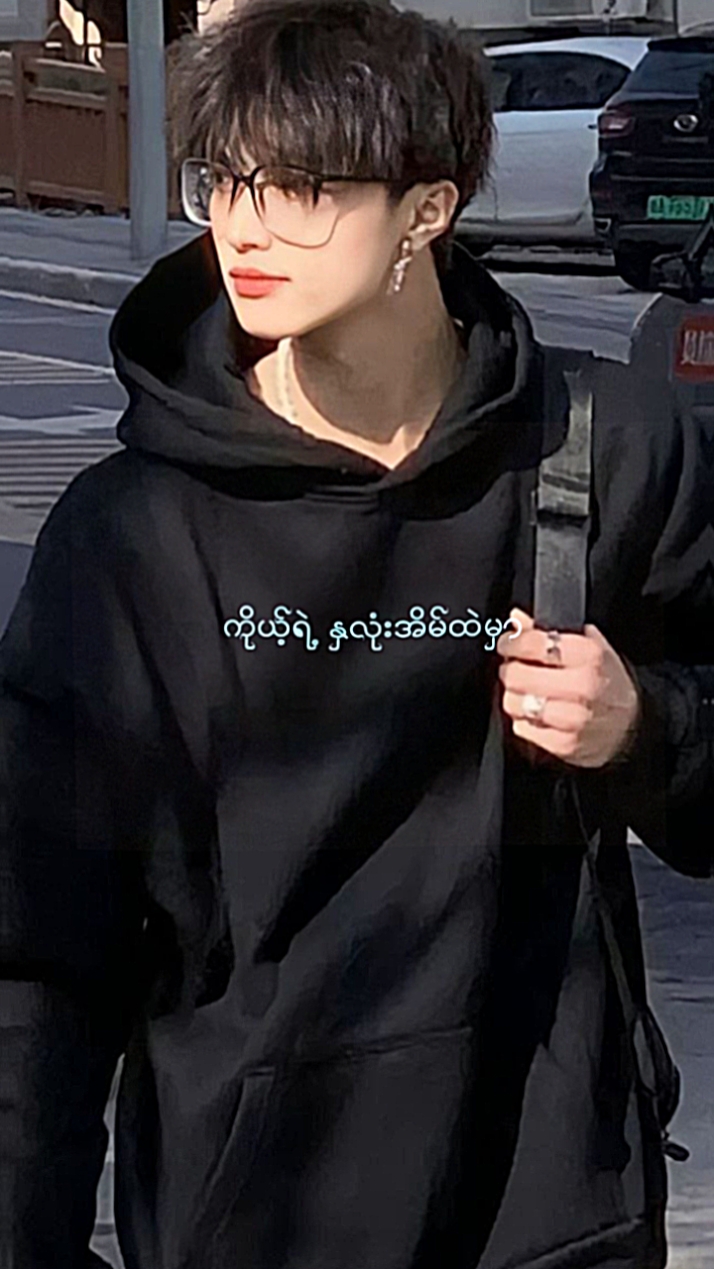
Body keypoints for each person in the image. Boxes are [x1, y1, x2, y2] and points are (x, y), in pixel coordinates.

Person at [0, 2, 711, 1267]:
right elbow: (40, 950)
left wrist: (644, 726)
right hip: (252, 1219)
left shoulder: (603, 452)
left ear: (429, 209)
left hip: (556, 1214)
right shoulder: (133, 533)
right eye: (226, 181)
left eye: (304, 189)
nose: (245, 227)